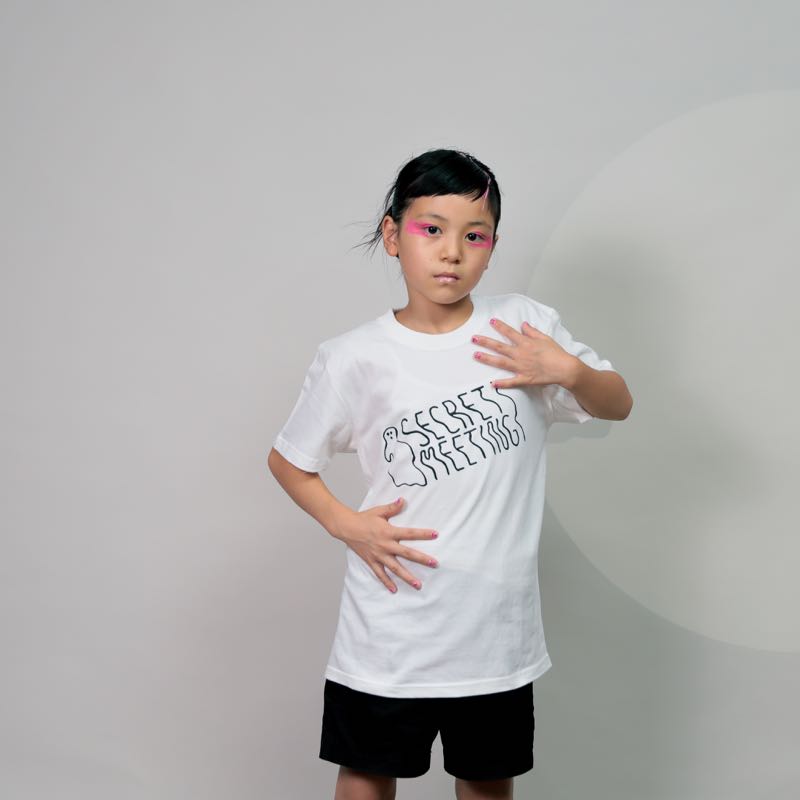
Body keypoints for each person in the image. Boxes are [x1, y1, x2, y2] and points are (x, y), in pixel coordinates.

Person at [268, 148, 633, 800]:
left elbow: (618, 404)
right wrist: (348, 524)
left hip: (495, 634)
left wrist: (569, 370)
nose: (452, 252)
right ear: (392, 235)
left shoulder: (524, 328)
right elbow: (289, 460)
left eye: (474, 236)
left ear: (493, 247)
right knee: (366, 777)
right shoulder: (355, 357)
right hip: (389, 630)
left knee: (487, 783)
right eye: (431, 229)